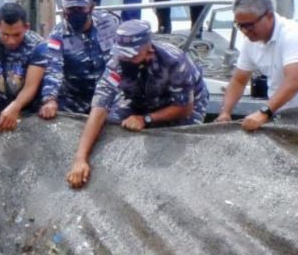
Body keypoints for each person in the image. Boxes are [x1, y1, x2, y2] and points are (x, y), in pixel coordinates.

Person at [67, 20, 208, 189]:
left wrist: (146, 119)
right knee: (111, 122)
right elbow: (99, 108)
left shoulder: (174, 61)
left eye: (131, 55)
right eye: (122, 54)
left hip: (182, 103)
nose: (125, 58)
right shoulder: (117, 63)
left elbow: (184, 108)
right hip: (140, 96)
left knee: (180, 143)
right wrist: (80, 158)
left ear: (148, 50)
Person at [216, 0, 298, 131]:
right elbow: (238, 81)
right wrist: (225, 112)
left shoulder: (293, 34)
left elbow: (294, 81)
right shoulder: (250, 41)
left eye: (249, 25)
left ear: (269, 16)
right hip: (282, 114)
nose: (245, 31)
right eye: (240, 26)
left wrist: (264, 112)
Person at [38, 0, 120, 118]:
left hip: (110, 94)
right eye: (71, 9)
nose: (76, 13)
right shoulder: (57, 36)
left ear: (92, 7)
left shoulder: (111, 22)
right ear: (64, 10)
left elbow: (124, 55)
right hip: (75, 100)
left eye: (81, 8)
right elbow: (53, 69)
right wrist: (50, 100)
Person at [0, 2, 47, 132]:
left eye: (17, 35)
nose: (11, 41)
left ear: (26, 27)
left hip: (29, 111)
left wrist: (16, 106)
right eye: (5, 35)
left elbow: (31, 86)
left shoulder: (37, 46)